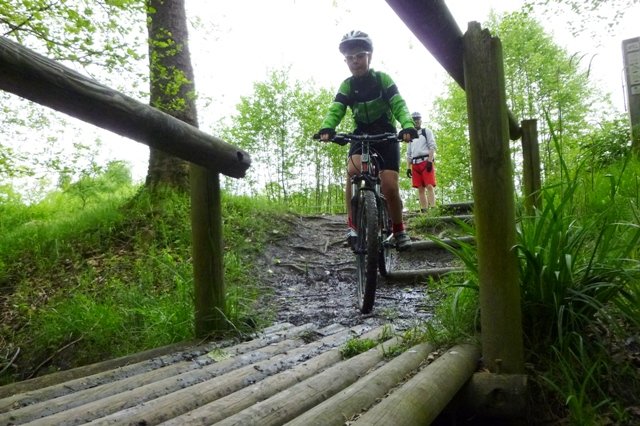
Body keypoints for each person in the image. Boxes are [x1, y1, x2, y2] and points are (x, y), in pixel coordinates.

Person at [318, 30, 418, 251]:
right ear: (346, 60)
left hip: (386, 133)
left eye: (360, 56)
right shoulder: (347, 85)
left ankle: (399, 230)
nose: (355, 61)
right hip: (361, 133)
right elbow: (337, 108)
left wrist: (407, 126)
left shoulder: (382, 79)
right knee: (352, 172)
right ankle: (352, 225)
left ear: (369, 56)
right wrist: (328, 127)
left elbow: (398, 104)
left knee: (390, 187)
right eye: (350, 58)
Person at [406, 112, 437, 212]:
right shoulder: (411, 136)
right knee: (420, 188)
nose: (416, 121)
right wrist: (408, 167)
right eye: (414, 119)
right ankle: (424, 211)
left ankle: (433, 209)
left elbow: (432, 146)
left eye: (418, 119)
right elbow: (409, 154)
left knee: (429, 185)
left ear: (421, 120)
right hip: (415, 164)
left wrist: (430, 160)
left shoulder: (426, 131)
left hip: (425, 161)